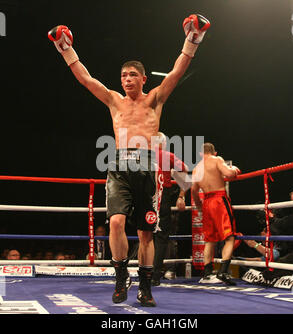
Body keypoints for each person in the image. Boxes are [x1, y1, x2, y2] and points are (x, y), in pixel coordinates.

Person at [48, 14, 210, 307]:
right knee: (115, 223)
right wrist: (65, 48)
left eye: (132, 75)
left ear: (143, 79)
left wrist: (192, 39)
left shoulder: (155, 99)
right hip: (120, 167)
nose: (126, 80)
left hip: (147, 169)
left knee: (146, 233)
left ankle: (145, 286)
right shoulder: (113, 100)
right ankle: (121, 274)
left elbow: (175, 72)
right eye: (123, 76)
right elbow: (86, 79)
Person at [191, 142, 241, 285]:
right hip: (219, 200)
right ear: (214, 152)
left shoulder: (197, 168)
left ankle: (207, 274)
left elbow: (194, 191)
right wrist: (234, 169)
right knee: (230, 237)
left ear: (201, 154)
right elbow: (229, 174)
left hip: (206, 202)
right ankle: (223, 271)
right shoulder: (217, 160)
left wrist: (200, 207)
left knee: (210, 240)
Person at [151, 132, 188, 286]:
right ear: (164, 143)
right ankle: (155, 274)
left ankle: (146, 272)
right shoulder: (167, 155)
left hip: (145, 197)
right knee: (161, 235)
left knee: (146, 234)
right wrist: (181, 195)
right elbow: (185, 169)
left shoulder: (144, 156)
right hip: (162, 196)